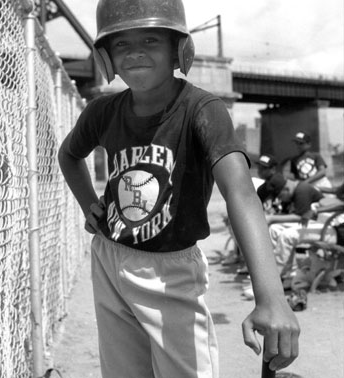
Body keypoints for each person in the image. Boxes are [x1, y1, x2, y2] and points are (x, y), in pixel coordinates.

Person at [58, 0, 299, 376]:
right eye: (121, 44)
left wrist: (271, 297)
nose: (135, 52)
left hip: (170, 271)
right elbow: (69, 155)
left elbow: (240, 192)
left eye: (151, 39)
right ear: (106, 57)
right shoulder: (102, 112)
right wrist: (88, 203)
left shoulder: (202, 109)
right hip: (108, 256)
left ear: (179, 50)